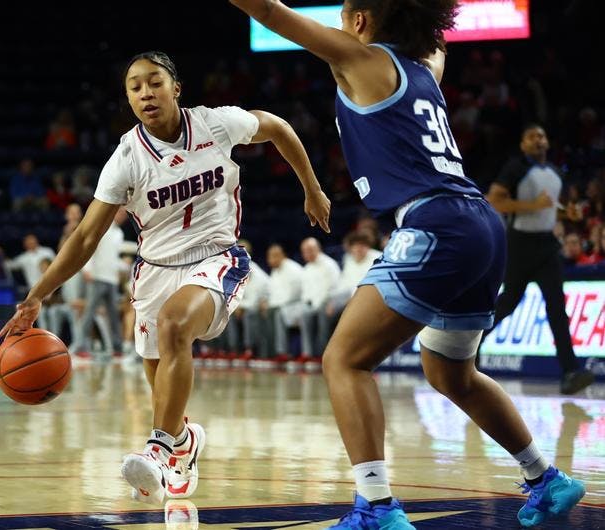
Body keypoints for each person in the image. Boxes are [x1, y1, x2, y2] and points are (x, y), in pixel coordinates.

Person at [232, 1, 586, 528]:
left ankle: (376, 507)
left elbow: (269, 11)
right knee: (451, 374)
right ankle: (546, 478)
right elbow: (432, 38)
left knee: (344, 359)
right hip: (480, 227)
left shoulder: (358, 57)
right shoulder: (427, 67)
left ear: (358, 22)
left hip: (434, 222)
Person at [0, 51, 329, 504]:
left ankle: (157, 451)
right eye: (134, 87)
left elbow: (277, 127)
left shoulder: (216, 124)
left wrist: (311, 187)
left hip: (217, 257)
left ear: (176, 88)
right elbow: (85, 237)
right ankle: (183, 444)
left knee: (176, 326)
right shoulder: (126, 158)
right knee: (160, 384)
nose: (145, 93)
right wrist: (37, 296)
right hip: (154, 272)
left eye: (154, 82)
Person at [486, 124, 594, 394]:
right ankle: (470, 346)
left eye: (542, 136)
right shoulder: (515, 167)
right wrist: (532, 206)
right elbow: (495, 200)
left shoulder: (557, 173)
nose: (539, 140)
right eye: (532, 136)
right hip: (519, 243)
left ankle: (570, 372)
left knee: (557, 308)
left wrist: (567, 214)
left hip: (547, 245)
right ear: (523, 144)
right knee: (508, 302)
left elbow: (550, 210)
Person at [74, 208, 127, 358]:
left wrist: (124, 266)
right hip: (96, 276)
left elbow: (113, 257)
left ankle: (117, 348)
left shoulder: (119, 233)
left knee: (113, 315)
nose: (122, 216)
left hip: (112, 279)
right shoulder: (102, 227)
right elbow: (89, 248)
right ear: (113, 212)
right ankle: (80, 346)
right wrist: (87, 268)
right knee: (89, 313)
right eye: (120, 213)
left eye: (124, 214)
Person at [296, 237, 342, 370]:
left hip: (329, 302)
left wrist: (321, 304)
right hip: (312, 305)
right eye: (304, 251)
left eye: (310, 250)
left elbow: (334, 289)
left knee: (322, 312)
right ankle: (308, 354)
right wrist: (305, 307)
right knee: (304, 314)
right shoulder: (307, 269)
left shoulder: (329, 265)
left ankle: (322, 355)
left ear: (318, 249)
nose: (307, 254)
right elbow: (305, 294)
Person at [263, 243, 304, 363]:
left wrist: (271, 305)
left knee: (276, 313)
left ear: (282, 256)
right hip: (281, 306)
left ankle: (282, 352)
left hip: (296, 305)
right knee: (258, 312)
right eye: (269, 257)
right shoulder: (275, 272)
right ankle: (267, 352)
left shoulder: (293, 269)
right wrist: (266, 303)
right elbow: (271, 293)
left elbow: (293, 295)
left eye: (274, 256)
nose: (271, 260)